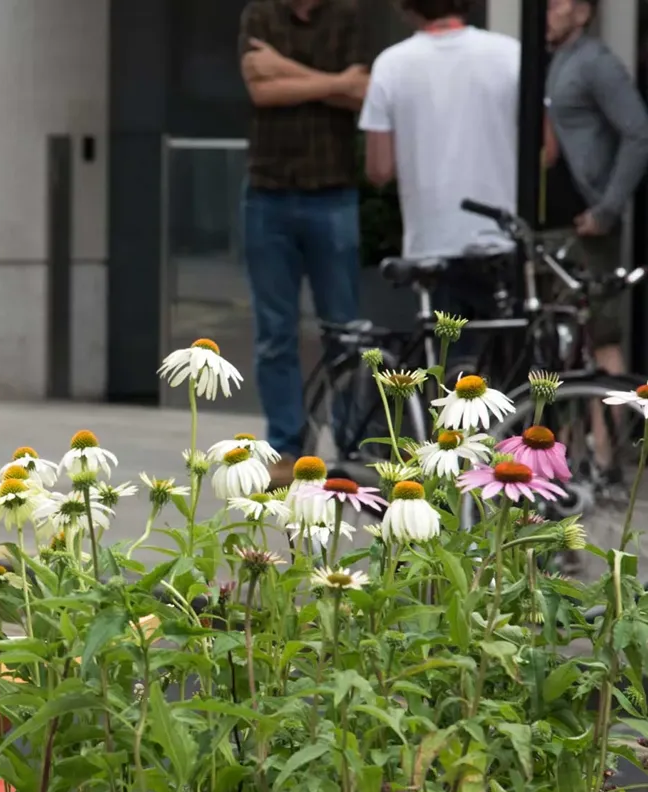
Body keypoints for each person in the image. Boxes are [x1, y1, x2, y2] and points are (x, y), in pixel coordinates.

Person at [237, 0, 370, 486]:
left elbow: (362, 94)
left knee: (345, 331)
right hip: (267, 194)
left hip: (331, 193)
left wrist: (287, 73)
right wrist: (332, 82)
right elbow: (261, 92)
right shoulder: (259, 15)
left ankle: (356, 444)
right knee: (275, 334)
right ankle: (287, 448)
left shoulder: (349, 16)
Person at [359, 0, 520, 261]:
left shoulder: (391, 65)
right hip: (502, 242)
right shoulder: (511, 53)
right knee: (502, 302)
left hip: (431, 250)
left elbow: (379, 169)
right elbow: (545, 150)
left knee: (438, 305)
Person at [543, 0, 648, 382]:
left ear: (583, 13)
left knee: (602, 337)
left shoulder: (596, 62)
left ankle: (612, 442)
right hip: (553, 225)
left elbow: (639, 133)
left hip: (587, 222)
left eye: (557, 4)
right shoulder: (552, 61)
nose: (547, 12)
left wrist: (607, 208)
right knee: (566, 347)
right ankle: (577, 440)